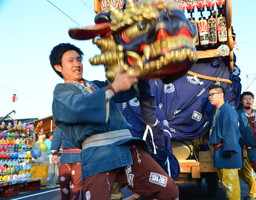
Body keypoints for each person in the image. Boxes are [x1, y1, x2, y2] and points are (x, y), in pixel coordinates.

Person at [49, 43, 179, 200]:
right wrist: (114, 86)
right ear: (58, 67)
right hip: (98, 154)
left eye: (79, 59)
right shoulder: (61, 92)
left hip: (128, 147)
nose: (77, 64)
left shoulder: (96, 85)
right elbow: (79, 107)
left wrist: (137, 69)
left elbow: (125, 91)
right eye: (70, 60)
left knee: (168, 189)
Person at [207, 85, 242, 200]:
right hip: (220, 150)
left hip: (227, 150)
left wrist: (229, 148)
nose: (210, 97)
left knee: (231, 184)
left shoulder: (227, 110)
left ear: (221, 95)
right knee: (226, 184)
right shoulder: (219, 111)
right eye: (209, 95)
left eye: (212, 94)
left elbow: (231, 129)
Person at [51, 126, 82, 200]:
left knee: (76, 184)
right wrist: (54, 153)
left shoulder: (82, 119)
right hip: (66, 155)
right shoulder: (62, 121)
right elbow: (57, 136)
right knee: (63, 182)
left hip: (79, 154)